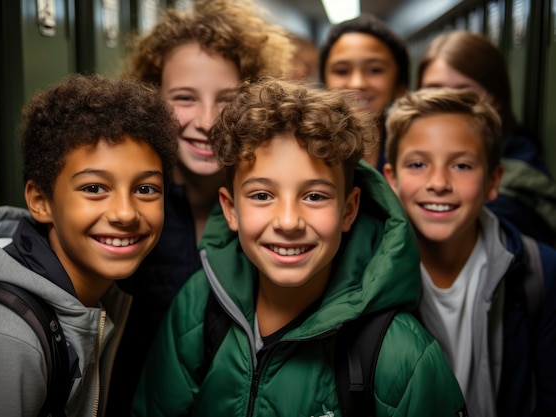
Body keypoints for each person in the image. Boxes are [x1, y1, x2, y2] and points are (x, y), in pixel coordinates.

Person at [132, 77, 467, 417]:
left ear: (348, 210)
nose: (289, 221)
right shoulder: (198, 306)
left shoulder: (401, 355)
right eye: (262, 195)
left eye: (315, 196)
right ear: (231, 209)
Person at [0, 74, 178, 417]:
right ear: (41, 200)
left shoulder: (99, 296)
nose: (125, 213)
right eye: (94, 188)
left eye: (146, 189)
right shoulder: (4, 342)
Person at [108, 1, 295, 414]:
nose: (208, 121)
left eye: (228, 98)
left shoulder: (278, 215)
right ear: (152, 100)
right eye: (184, 98)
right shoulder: (124, 209)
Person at [383, 87, 556, 417]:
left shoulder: (541, 272)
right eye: (418, 164)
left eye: (461, 166)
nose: (438, 182)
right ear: (392, 179)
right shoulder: (366, 276)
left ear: (493, 181)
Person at [417, 30, 556, 245]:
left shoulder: (517, 191)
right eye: (434, 92)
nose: (448, 105)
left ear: (496, 101)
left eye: (465, 94)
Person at [319, 12, 409, 172]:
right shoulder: (306, 152)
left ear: (400, 86)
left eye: (375, 70)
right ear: (325, 84)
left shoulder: (412, 151)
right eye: (342, 71)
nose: (357, 83)